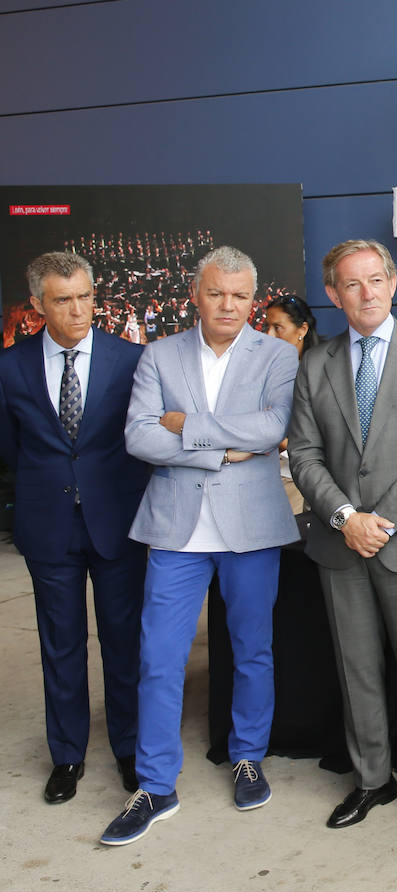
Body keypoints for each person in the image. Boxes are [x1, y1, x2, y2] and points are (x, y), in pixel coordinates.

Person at [100, 246, 300, 846]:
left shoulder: (277, 355)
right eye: (217, 293)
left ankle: (248, 756)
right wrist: (220, 449)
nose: (229, 305)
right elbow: (138, 436)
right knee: (158, 658)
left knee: (251, 651)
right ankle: (156, 785)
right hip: (176, 530)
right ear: (196, 294)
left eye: (240, 295)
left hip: (252, 526)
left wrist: (184, 425)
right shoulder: (159, 354)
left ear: (253, 299)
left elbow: (272, 429)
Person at [288, 239, 397, 833]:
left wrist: (379, 523)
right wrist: (345, 519)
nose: (365, 294)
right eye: (350, 285)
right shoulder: (315, 362)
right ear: (333, 294)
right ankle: (373, 781)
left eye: (375, 280)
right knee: (356, 668)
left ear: (392, 283)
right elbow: (306, 455)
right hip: (341, 543)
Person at [0, 251, 148, 805]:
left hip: (117, 523)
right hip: (48, 526)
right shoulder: (11, 367)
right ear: (39, 304)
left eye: (86, 296)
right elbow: (12, 447)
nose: (79, 309)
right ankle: (67, 755)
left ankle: (130, 749)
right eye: (64, 299)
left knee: (123, 641)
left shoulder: (131, 359)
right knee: (59, 644)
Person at [262, 293, 319, 513]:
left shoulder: (320, 374)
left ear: (302, 330)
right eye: (267, 326)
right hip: (261, 476)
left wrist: (278, 440)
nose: (269, 335)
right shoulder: (261, 371)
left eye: (278, 327)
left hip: (297, 481)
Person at [262, 293, 319, 357]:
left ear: (303, 330)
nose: (269, 334)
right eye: (266, 327)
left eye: (277, 328)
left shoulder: (321, 364)